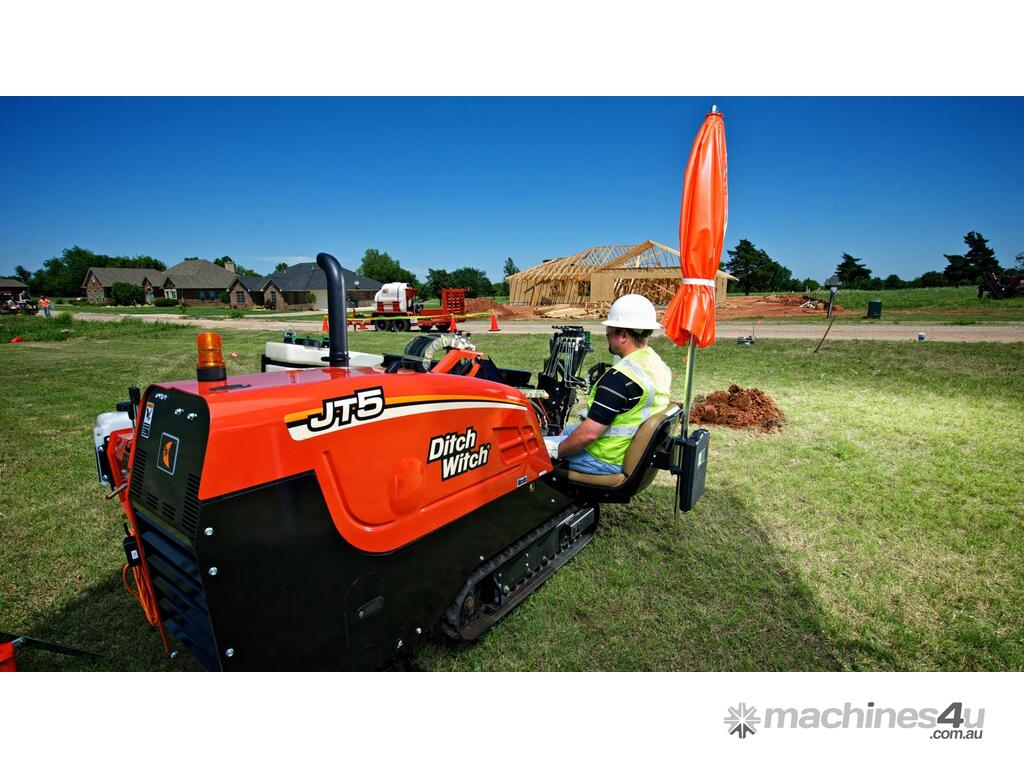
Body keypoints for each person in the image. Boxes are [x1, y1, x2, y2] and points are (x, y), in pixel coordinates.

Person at [544, 294, 672, 474]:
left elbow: (589, 434)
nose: (606, 336)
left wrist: (554, 451)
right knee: (568, 431)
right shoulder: (658, 365)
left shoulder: (619, 379)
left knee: (535, 452)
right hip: (629, 450)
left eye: (609, 331)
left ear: (622, 335)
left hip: (605, 458)